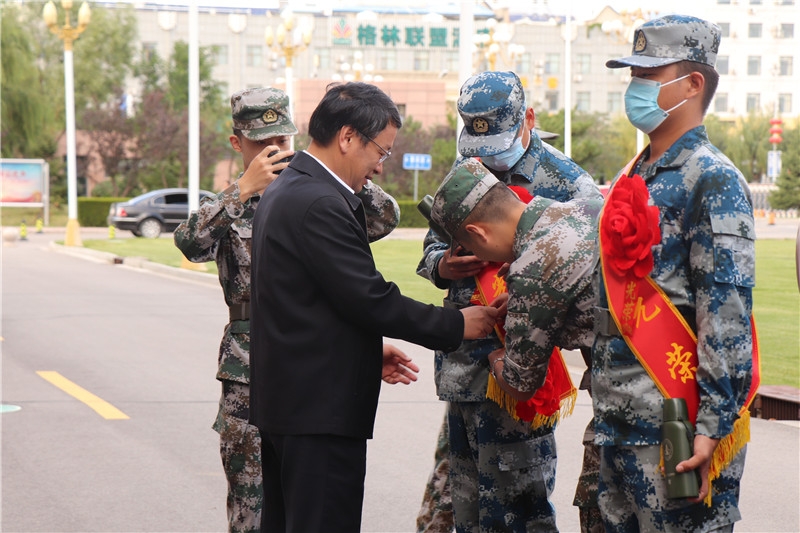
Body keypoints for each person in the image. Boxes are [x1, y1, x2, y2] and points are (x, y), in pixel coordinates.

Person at [248, 81, 499, 533]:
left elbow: (305, 302)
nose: (380, 167)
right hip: (318, 413)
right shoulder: (319, 202)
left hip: (291, 402)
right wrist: (456, 324)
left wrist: (363, 351)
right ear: (347, 137)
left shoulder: (287, 189)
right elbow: (369, 298)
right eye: (381, 151)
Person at [174, 87, 414, 533]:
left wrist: (333, 172)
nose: (274, 151)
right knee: (252, 506)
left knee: (303, 506)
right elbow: (190, 244)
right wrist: (242, 190)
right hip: (247, 365)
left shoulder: (311, 188)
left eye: (282, 140)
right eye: (261, 143)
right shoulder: (231, 202)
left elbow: (385, 217)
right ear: (237, 143)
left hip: (308, 366)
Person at [416, 71, 602, 533]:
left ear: (528, 120)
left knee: (521, 505)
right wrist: (444, 266)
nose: (487, 158)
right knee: (465, 508)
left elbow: (589, 275)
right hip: (466, 363)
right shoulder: (466, 168)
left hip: (522, 360)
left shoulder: (567, 183)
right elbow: (431, 247)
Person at [593, 15, 756, 532]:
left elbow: (726, 314)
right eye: (633, 75)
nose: (635, 87)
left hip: (677, 431)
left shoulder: (713, 178)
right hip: (618, 423)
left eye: (649, 75)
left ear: (692, 84)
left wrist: (711, 427)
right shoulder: (634, 175)